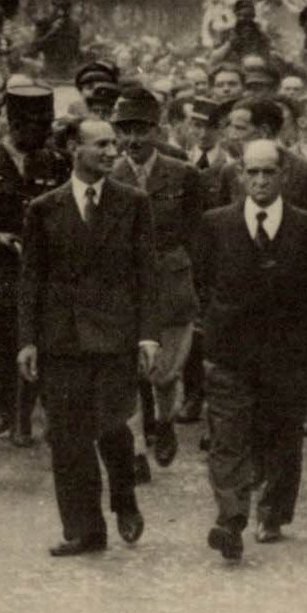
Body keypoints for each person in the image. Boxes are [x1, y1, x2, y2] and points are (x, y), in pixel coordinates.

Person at [17, 118, 158, 556]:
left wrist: (148, 336)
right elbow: (30, 281)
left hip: (115, 336)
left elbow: (146, 274)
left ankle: (124, 498)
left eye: (114, 143)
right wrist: (27, 341)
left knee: (112, 426)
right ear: (74, 150)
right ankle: (84, 529)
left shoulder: (133, 203)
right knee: (68, 436)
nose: (113, 150)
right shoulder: (43, 208)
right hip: (63, 339)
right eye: (101, 144)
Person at [196, 139, 307, 559]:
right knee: (228, 436)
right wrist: (218, 324)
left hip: (288, 351)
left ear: (284, 176)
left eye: (268, 172)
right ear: (240, 175)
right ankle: (231, 518)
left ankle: (272, 511)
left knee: (282, 433)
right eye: (251, 172)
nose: (259, 180)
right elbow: (203, 281)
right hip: (231, 351)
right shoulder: (216, 223)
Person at [0, 86, 67, 484]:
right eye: (36, 126)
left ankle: (57, 446)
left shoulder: (57, 164)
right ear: (15, 124)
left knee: (51, 362)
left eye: (47, 126)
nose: (44, 134)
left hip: (43, 281)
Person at [109, 88, 201, 473]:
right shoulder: (110, 174)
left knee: (164, 372)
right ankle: (135, 452)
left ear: (157, 130)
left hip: (170, 283)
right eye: (124, 131)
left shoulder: (183, 174)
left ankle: (164, 423)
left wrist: (193, 282)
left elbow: (197, 235)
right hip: (124, 285)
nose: (132, 140)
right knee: (128, 371)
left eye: (141, 130)